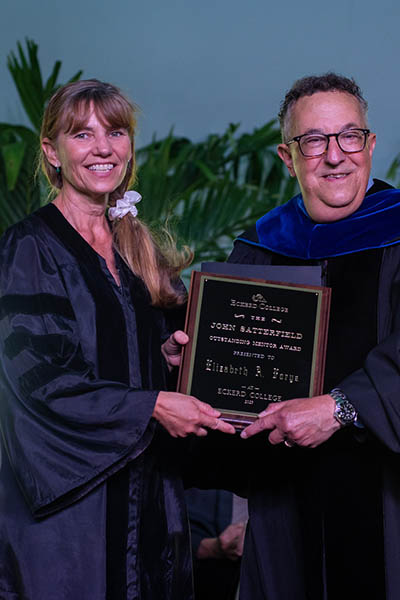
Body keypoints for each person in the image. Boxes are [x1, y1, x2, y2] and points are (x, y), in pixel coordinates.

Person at [0, 79, 234, 600]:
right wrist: (150, 404)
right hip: (72, 514)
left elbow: (124, 355)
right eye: (81, 134)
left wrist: (167, 357)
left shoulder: (135, 248)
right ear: (51, 151)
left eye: (116, 132)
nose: (103, 147)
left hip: (149, 498)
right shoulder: (28, 251)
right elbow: (42, 382)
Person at [227, 73, 400, 599]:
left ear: (370, 145)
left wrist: (343, 407)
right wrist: (183, 358)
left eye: (350, 136)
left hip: (388, 502)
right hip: (286, 505)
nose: (335, 156)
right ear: (287, 157)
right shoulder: (260, 250)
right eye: (314, 140)